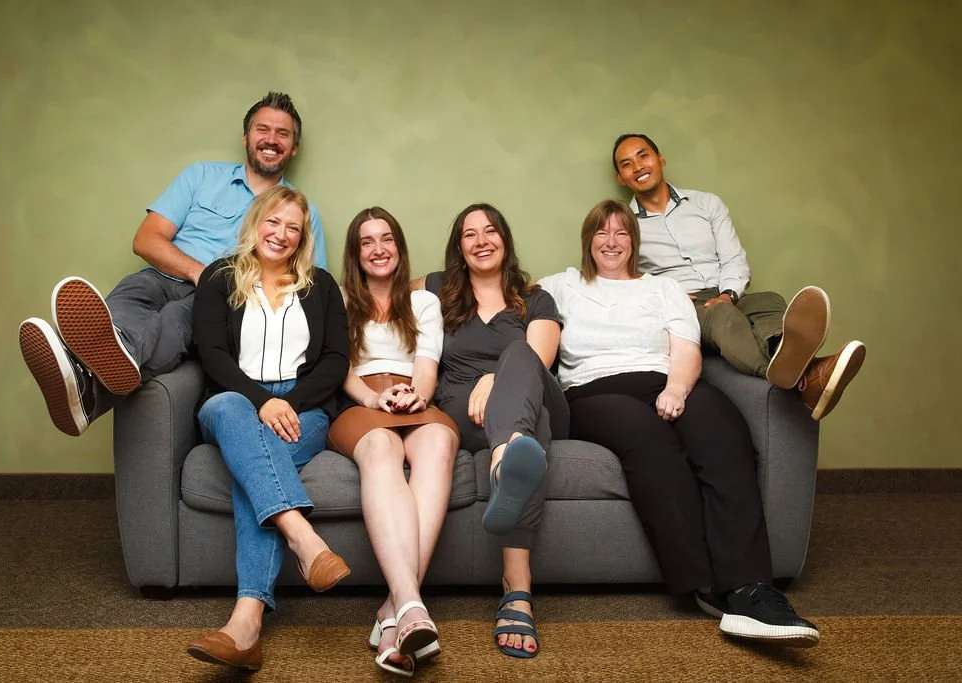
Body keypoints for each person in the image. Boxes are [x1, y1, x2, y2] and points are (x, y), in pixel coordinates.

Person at [539, 199, 819, 647]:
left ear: (634, 240)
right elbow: (486, 286)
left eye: (622, 233)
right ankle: (708, 586)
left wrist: (677, 389)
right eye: (601, 233)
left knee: (724, 431)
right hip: (593, 391)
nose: (611, 242)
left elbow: (686, 349)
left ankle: (751, 587)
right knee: (650, 439)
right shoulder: (561, 286)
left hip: (664, 380)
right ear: (587, 241)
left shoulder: (663, 288)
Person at [18, 91, 328, 437]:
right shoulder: (200, 177)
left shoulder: (301, 211)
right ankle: (96, 366)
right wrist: (200, 273)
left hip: (226, 299)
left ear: (294, 148)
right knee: (132, 290)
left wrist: (215, 285)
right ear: (246, 137)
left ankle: (83, 378)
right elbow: (146, 239)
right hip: (165, 276)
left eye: (282, 134)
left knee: (176, 318)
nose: (271, 139)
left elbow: (312, 289)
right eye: (262, 129)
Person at [186, 185, 349, 671]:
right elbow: (212, 354)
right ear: (256, 222)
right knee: (237, 413)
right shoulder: (219, 278)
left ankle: (245, 625)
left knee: (254, 471)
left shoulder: (321, 285)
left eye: (292, 227)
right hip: (233, 398)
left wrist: (289, 403)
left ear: (303, 238)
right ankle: (305, 539)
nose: (280, 234)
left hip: (305, 406)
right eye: (272, 222)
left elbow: (336, 360)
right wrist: (262, 401)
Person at [611, 133, 865, 420]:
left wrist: (728, 294)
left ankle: (787, 356)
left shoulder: (707, 204)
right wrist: (667, 295)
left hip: (725, 291)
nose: (638, 167)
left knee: (770, 300)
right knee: (722, 317)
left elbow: (732, 258)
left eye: (643, 156)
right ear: (621, 178)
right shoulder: (623, 224)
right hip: (684, 304)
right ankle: (807, 379)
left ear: (660, 159)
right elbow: (622, 276)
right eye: (627, 164)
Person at [414, 203, 569, 659]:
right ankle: (516, 589)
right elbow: (374, 285)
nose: (481, 240)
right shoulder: (437, 289)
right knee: (527, 434)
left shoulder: (535, 298)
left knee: (520, 364)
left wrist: (494, 377)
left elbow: (536, 362)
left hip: (531, 395)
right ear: (458, 248)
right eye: (469, 234)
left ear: (505, 238)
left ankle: (507, 454)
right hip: (462, 412)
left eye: (490, 231)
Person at [327, 207, 460, 676]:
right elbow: (338, 367)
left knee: (439, 445)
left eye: (387, 239)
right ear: (355, 252)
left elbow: (427, 366)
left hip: (413, 396)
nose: (378, 249)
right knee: (382, 447)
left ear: (400, 249)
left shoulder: (423, 302)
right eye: (367, 241)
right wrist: (375, 397)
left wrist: (414, 395)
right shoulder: (337, 300)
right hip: (362, 402)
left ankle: (394, 614)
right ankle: (410, 604)